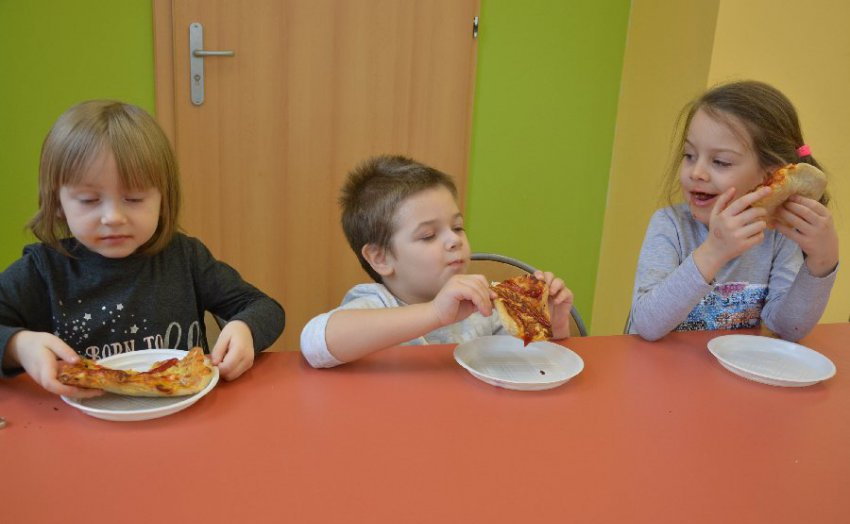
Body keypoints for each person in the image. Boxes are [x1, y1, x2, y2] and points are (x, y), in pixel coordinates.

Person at [0, 100, 285, 397]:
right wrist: (18, 346)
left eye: (134, 199)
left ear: (163, 199)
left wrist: (245, 328)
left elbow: (265, 307)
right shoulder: (43, 270)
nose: (113, 217)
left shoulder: (185, 258)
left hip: (185, 413)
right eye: (89, 200)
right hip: (79, 419)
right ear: (58, 203)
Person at [300, 155, 574, 368]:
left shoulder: (482, 306)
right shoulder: (377, 303)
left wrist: (553, 324)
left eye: (457, 228)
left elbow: (530, 366)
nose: (454, 240)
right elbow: (314, 344)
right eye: (428, 235)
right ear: (381, 258)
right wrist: (435, 313)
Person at [628, 80, 838, 341]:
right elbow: (647, 324)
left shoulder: (778, 237)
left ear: (771, 177)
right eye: (689, 155)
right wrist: (714, 251)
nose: (697, 172)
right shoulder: (670, 225)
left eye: (720, 161)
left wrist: (823, 262)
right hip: (655, 365)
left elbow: (787, 328)